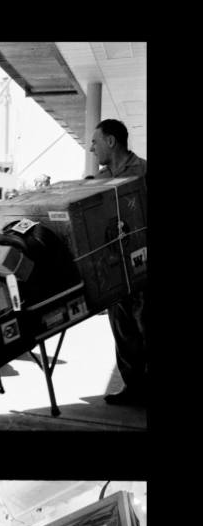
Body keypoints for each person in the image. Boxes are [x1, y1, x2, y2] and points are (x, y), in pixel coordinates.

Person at [90, 119, 147, 406]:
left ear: (111, 142)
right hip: (114, 269)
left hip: (143, 267)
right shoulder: (98, 180)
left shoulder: (143, 172)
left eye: (95, 142)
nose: (91, 148)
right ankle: (134, 387)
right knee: (123, 331)